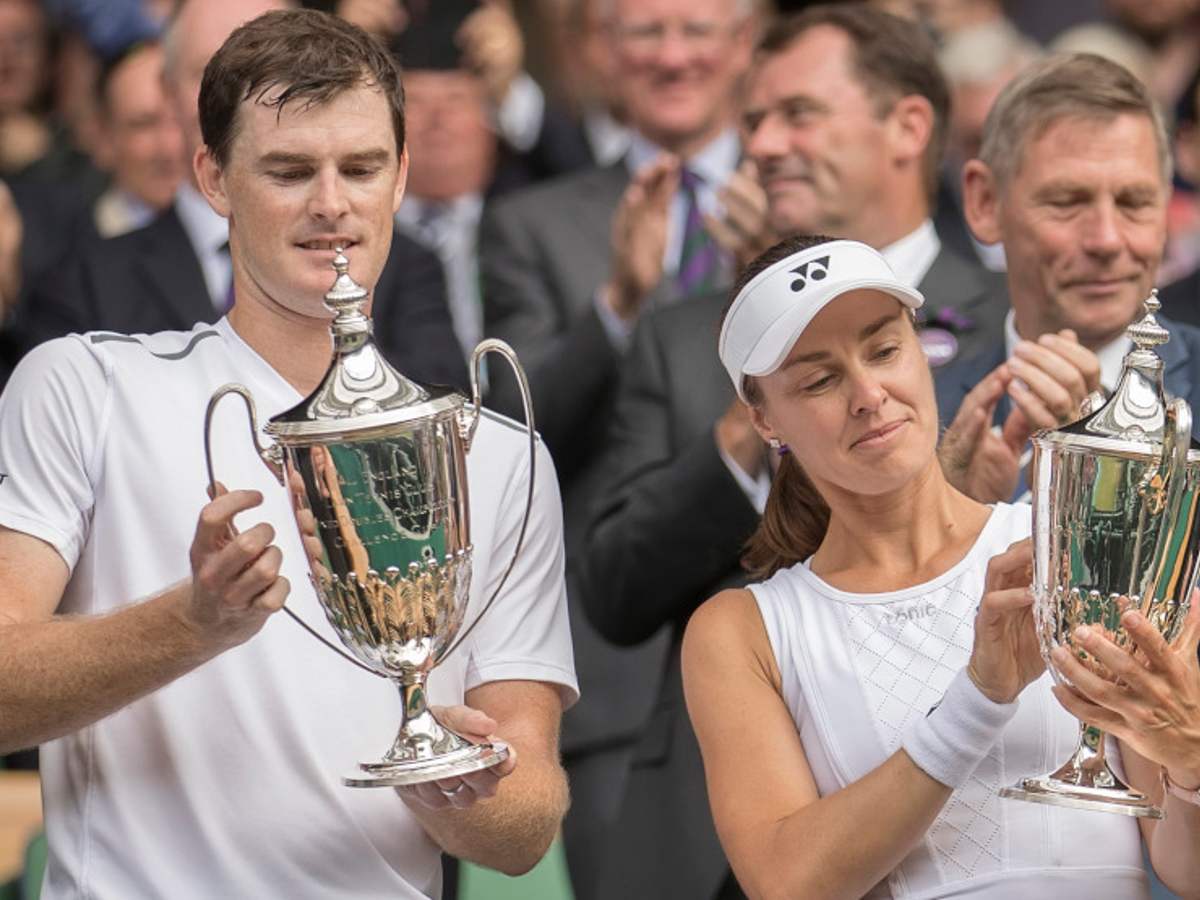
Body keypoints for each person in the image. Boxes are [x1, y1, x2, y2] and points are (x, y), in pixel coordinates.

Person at [0, 10, 577, 899]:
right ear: (213, 177)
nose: (331, 204)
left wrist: (458, 784)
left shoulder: (496, 453)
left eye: (361, 168)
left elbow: (524, 829)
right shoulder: (85, 384)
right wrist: (194, 623)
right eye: (289, 170)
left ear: (402, 177)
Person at [576, 9, 1003, 896]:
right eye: (754, 119)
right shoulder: (681, 334)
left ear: (908, 127)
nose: (764, 144)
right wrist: (758, 385)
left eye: (798, 113)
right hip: (725, 821)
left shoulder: (1010, 314)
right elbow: (614, 587)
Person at [683, 233, 1200, 899]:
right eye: (820, 379)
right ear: (765, 420)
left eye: (885, 349)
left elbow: (1184, 866)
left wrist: (1190, 763)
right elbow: (788, 883)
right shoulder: (743, 630)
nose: (869, 394)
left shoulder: (1070, 549)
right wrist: (978, 699)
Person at [479, 1, 758, 896]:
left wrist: (774, 286)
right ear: (600, 48)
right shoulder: (535, 220)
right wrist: (618, 305)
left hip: (811, 646)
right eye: (645, 31)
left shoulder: (809, 201)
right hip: (623, 679)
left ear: (743, 44)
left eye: (697, 28)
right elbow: (504, 431)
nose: (673, 55)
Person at [14, 0, 468, 395]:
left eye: (285, 61)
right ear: (169, 89)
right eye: (214, 70)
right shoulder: (78, 290)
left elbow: (441, 418)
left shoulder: (406, 260)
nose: (330, 204)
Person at [938, 53, 1200, 504]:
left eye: (1134, 202)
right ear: (984, 202)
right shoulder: (922, 419)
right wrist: (954, 519)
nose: (1106, 239)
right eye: (1066, 201)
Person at [90, 40, 186, 238]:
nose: (170, 147)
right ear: (104, 140)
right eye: (144, 125)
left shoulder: (244, 236)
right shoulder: (70, 258)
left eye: (180, 119)